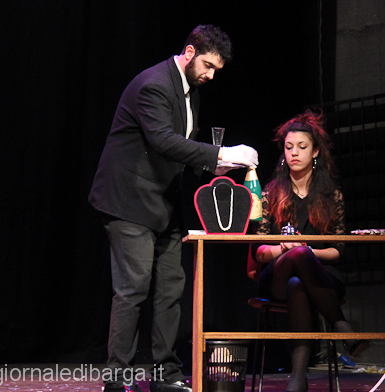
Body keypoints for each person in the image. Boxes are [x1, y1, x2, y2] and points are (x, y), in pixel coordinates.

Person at [89, 25, 258, 392]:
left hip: (163, 204)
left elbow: (180, 150)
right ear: (189, 52)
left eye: (216, 70)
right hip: (129, 200)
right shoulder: (153, 85)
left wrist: (212, 167)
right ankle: (117, 379)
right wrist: (220, 154)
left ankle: (165, 374)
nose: (210, 75)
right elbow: (163, 141)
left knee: (171, 287)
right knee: (134, 287)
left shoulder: (189, 92)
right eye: (208, 65)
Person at [251, 110, 368, 392]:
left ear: (315, 151)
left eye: (302, 147)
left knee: (298, 280)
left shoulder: (331, 196)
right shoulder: (270, 193)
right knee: (296, 260)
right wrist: (284, 248)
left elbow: (338, 251)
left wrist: (308, 252)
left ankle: (298, 378)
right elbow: (258, 251)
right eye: (289, 147)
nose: (294, 153)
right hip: (276, 277)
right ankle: (341, 325)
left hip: (320, 277)